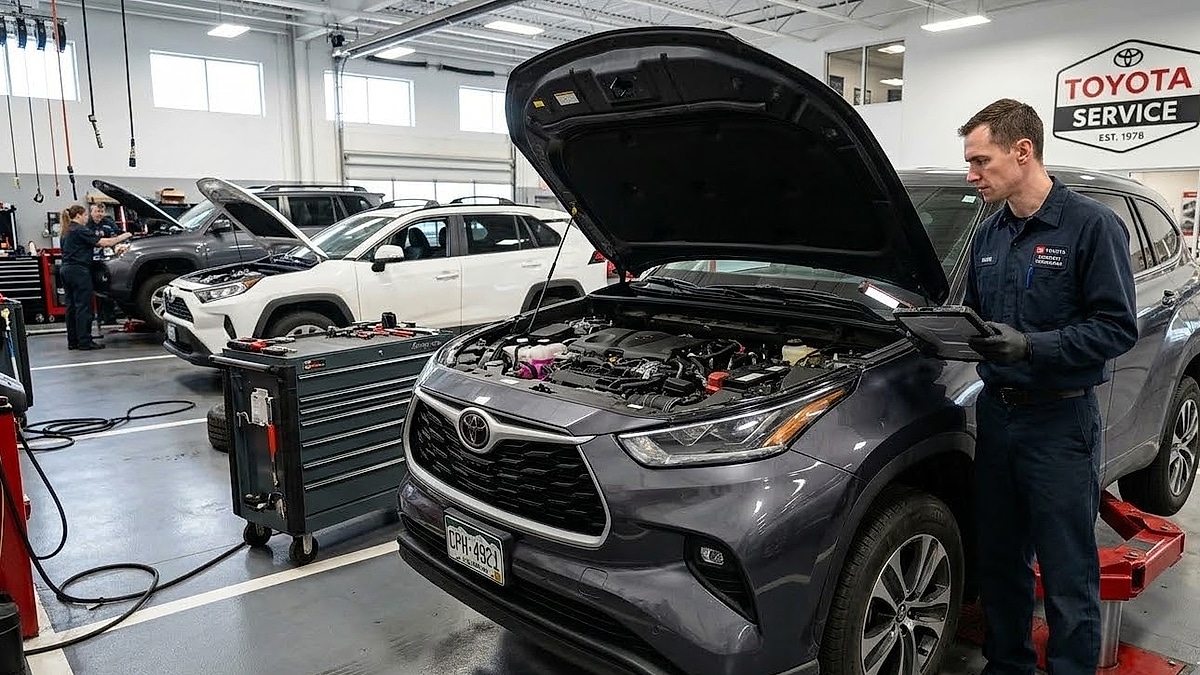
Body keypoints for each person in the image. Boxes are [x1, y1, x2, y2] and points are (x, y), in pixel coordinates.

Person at [957, 99, 1139, 675]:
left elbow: (1116, 328)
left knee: (1067, 570)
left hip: (1059, 424)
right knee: (1001, 563)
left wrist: (1033, 347)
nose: (972, 175)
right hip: (999, 419)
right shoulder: (989, 234)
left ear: (1022, 150)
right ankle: (1007, 665)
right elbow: (974, 315)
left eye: (980, 161)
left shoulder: (1090, 226)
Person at [59, 205, 133, 351]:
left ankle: (73, 341)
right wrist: (126, 235)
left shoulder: (66, 230)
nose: (87, 218)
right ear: (79, 215)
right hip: (79, 271)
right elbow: (105, 242)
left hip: (66, 269)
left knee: (71, 307)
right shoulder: (80, 229)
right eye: (85, 215)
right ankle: (85, 341)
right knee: (83, 307)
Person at [87, 204, 120, 325]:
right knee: (90, 290)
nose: (99, 214)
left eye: (101, 211)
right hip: (89, 262)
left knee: (107, 289)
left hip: (106, 262)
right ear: (91, 212)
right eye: (97, 211)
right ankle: (95, 316)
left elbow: (118, 235)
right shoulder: (86, 225)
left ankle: (109, 317)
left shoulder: (108, 223)